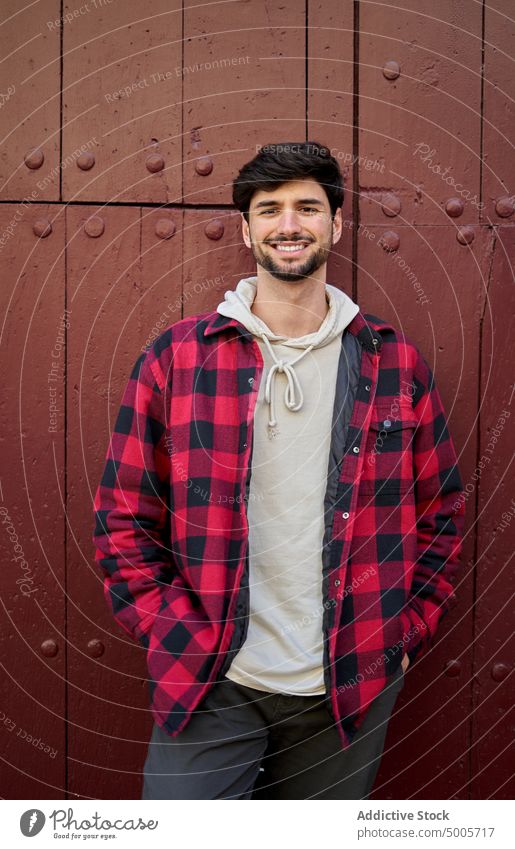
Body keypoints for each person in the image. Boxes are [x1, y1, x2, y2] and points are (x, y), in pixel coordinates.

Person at [92, 140, 465, 799]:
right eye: (269, 209)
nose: (287, 224)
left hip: (348, 679)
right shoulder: (178, 359)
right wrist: (170, 625)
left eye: (306, 207)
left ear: (336, 223)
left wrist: (400, 634)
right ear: (245, 228)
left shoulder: (392, 364)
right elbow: (123, 514)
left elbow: (442, 512)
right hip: (212, 676)